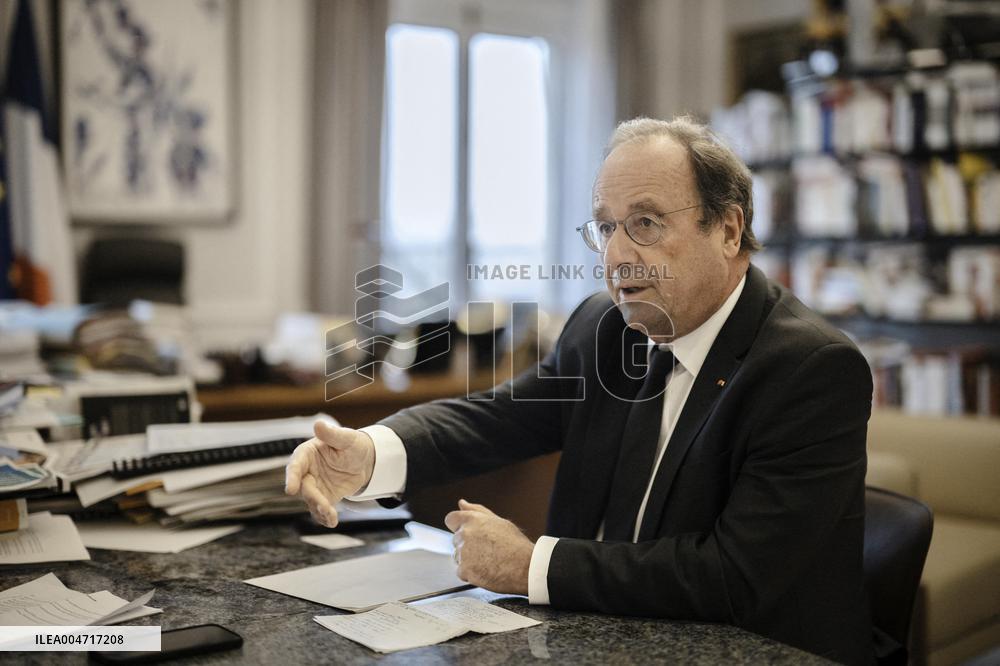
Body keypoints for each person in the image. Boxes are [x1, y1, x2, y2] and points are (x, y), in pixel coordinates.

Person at [286, 116, 874, 665]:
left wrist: (529, 564)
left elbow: (733, 577)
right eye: (606, 227)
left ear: (727, 229)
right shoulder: (606, 325)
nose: (617, 254)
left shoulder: (810, 369)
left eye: (646, 223)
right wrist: (369, 454)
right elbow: (497, 418)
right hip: (597, 635)